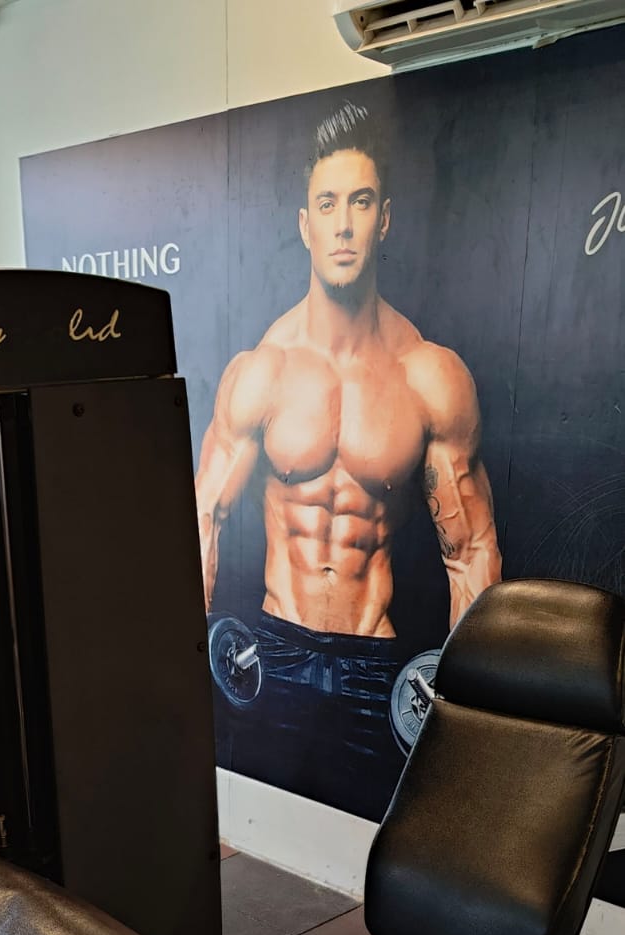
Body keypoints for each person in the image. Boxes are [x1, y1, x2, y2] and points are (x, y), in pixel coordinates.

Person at [195, 100, 501, 818]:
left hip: (378, 669)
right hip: (270, 656)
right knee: (258, 854)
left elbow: (472, 552)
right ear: (304, 224)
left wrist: (470, 707)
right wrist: (178, 670)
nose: (342, 225)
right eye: (327, 204)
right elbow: (203, 518)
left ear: (383, 219)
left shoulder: (429, 376)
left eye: (360, 203)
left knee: (375, 858)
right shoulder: (263, 371)